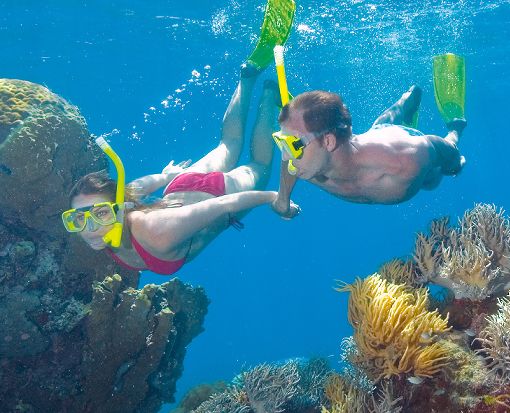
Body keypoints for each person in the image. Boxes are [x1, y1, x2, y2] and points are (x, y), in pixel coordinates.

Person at [63, 65, 281, 275]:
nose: (89, 227)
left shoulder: (157, 233)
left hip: (218, 193)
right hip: (180, 184)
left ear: (121, 208)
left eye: (101, 213)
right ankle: (247, 76)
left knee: (260, 165)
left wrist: (276, 197)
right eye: (78, 218)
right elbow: (137, 187)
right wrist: (167, 175)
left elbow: (223, 204)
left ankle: (270, 93)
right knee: (228, 143)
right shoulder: (118, 208)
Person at [270, 86, 467, 218]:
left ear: (328, 141)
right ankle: (405, 102)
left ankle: (452, 128)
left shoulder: (406, 161)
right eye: (281, 142)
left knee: (432, 180)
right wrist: (283, 200)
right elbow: (288, 163)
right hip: (365, 143)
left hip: (397, 143)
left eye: (292, 145)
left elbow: (434, 146)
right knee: (379, 126)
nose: (286, 156)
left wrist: (454, 162)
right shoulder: (305, 162)